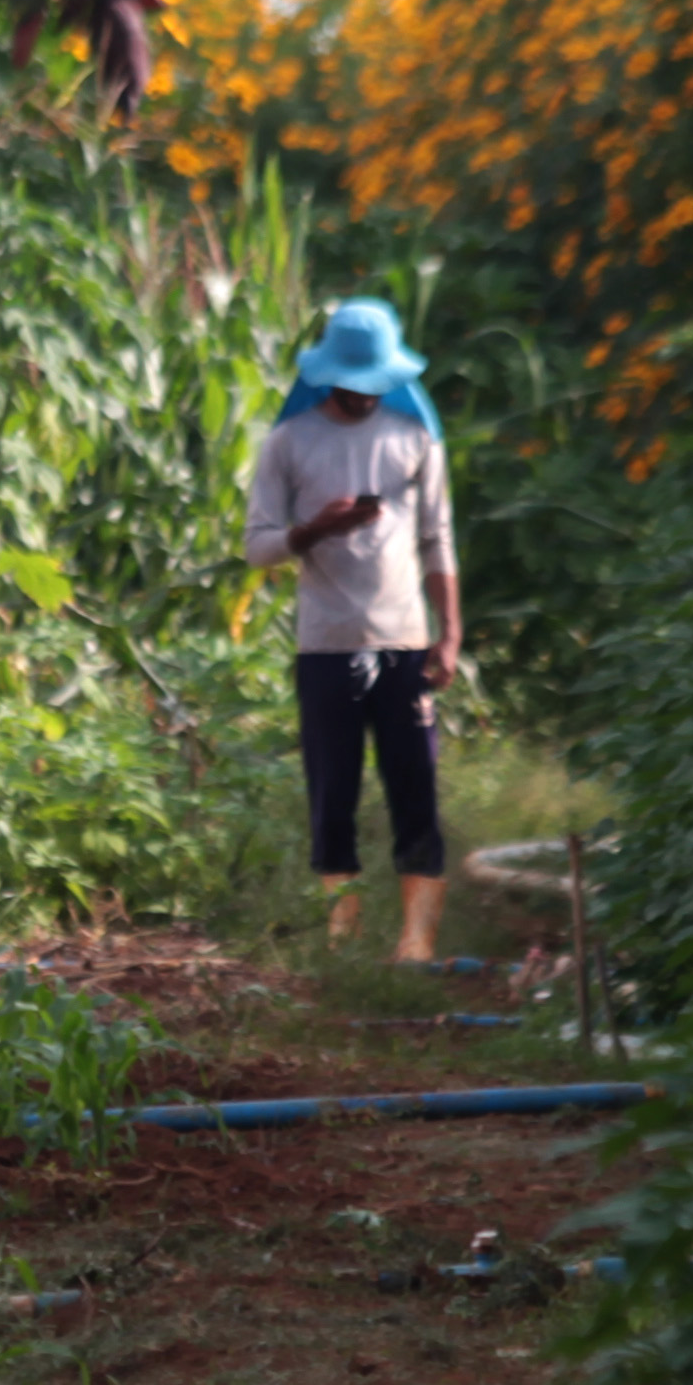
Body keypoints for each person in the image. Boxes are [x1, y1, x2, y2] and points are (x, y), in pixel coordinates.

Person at [244, 297, 463, 963]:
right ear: (327, 374)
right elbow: (257, 546)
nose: (365, 396)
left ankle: (416, 941)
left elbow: (437, 540)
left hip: (404, 644)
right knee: (332, 793)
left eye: (376, 384)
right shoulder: (290, 443)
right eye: (352, 382)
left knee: (414, 790)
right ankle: (343, 935)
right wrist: (317, 530)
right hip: (327, 644)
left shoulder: (413, 439)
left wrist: (449, 632)